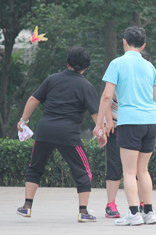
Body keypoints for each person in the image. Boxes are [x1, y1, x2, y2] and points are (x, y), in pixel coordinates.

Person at [16, 46, 106, 222]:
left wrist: (24, 121)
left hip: (45, 130)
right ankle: (83, 211)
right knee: (83, 170)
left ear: (67, 63)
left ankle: (27, 206)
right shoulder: (86, 85)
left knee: (35, 167)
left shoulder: (52, 79)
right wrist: (101, 132)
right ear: (86, 67)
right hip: (68, 133)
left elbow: (34, 99)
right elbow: (96, 114)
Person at [93, 26, 156, 226]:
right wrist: (153, 120)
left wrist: (100, 123)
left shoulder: (117, 64)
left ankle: (133, 214)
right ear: (144, 45)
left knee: (129, 172)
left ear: (124, 41)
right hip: (152, 121)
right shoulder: (151, 67)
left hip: (130, 121)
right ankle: (149, 212)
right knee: (144, 170)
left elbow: (107, 95)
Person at [104, 50, 156, 219]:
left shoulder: (136, 71)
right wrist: (107, 121)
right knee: (124, 167)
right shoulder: (127, 73)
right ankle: (114, 204)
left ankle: (137, 210)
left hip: (131, 123)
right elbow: (107, 97)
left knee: (132, 171)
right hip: (120, 123)